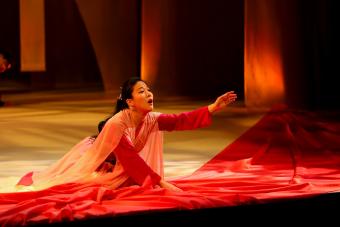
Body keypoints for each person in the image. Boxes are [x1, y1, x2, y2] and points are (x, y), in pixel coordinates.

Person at [16, 77, 237, 192]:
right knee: (72, 186)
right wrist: (161, 183)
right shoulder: (117, 124)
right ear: (130, 102)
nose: (149, 93)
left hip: (118, 162)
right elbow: (131, 158)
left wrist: (212, 108)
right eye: (141, 91)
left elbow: (179, 120)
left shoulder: (151, 118)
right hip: (99, 160)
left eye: (148, 89)